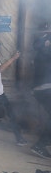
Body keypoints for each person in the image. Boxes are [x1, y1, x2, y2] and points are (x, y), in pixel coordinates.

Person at [31, 23, 51, 158]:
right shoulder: (43, 52)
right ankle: (40, 145)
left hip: (42, 88)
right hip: (45, 88)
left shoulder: (40, 53)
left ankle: (41, 144)